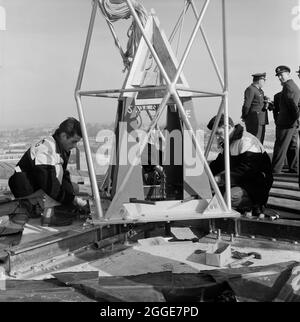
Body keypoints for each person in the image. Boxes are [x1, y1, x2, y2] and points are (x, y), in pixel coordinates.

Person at [8, 117, 88, 226]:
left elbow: (64, 178)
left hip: (31, 182)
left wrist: (71, 201)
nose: (75, 146)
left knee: (64, 181)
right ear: (64, 136)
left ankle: (31, 203)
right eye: (74, 141)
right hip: (21, 185)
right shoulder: (47, 150)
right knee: (56, 170)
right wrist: (75, 201)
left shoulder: (60, 147)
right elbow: (51, 186)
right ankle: (48, 216)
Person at [207, 114, 273, 217]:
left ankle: (253, 205)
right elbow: (218, 164)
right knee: (211, 195)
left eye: (218, 133)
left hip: (255, 185)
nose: (217, 137)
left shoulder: (247, 141)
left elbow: (248, 170)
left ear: (228, 127)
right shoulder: (228, 142)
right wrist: (204, 175)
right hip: (240, 183)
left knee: (228, 198)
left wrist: (220, 178)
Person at [272, 66, 300, 174]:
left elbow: (293, 106)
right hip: (291, 122)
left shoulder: (288, 86)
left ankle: (275, 171)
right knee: (292, 147)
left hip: (286, 123)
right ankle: (294, 168)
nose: (279, 77)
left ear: (288, 74)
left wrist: (295, 119)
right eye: (278, 75)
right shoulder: (292, 85)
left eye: (281, 75)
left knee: (280, 147)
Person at [241, 73, 270, 144]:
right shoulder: (250, 89)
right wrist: (245, 116)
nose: (264, 82)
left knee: (260, 141)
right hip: (254, 120)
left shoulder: (260, 90)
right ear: (259, 81)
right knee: (254, 141)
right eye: (263, 80)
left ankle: (259, 155)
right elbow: (247, 105)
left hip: (261, 120)